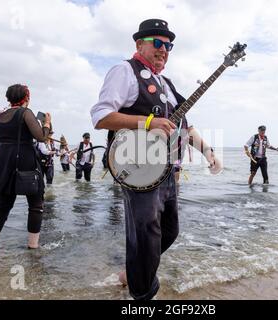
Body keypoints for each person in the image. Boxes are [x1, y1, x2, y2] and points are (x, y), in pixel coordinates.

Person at [90, 18, 222, 300]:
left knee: (169, 231)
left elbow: (184, 126)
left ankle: (135, 269)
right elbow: (101, 117)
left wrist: (209, 152)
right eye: (158, 43)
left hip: (167, 172)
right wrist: (148, 122)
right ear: (139, 44)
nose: (164, 49)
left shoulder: (167, 84)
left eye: (168, 45)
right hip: (137, 169)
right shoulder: (124, 71)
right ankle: (142, 295)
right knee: (147, 235)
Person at [0, 84, 51, 251]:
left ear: (9, 98)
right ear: (26, 98)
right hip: (24, 158)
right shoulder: (25, 113)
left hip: (4, 160)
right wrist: (47, 123)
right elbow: (41, 137)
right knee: (35, 204)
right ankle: (33, 246)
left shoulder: (0, 115)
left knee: (2, 205)